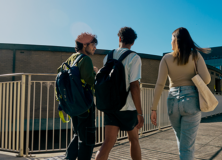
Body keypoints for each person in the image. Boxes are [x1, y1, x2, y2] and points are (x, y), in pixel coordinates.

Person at [150, 27, 211, 160]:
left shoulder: (166, 58)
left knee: (182, 141)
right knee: (187, 146)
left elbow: (160, 84)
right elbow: (206, 79)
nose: (170, 42)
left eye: (171, 39)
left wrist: (153, 108)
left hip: (172, 102)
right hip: (191, 101)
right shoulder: (195, 55)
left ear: (176, 40)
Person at [95, 27, 144, 160]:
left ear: (119, 39)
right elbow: (134, 86)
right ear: (133, 42)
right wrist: (139, 113)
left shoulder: (108, 57)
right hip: (128, 107)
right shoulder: (134, 57)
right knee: (133, 140)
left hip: (110, 106)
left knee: (108, 142)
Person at [59, 32, 98, 160]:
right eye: (93, 44)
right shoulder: (85, 59)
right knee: (87, 139)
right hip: (85, 105)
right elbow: (91, 81)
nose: (95, 48)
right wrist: (95, 72)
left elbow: (59, 71)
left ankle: (68, 158)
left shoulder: (71, 58)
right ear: (85, 44)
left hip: (73, 104)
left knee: (78, 134)